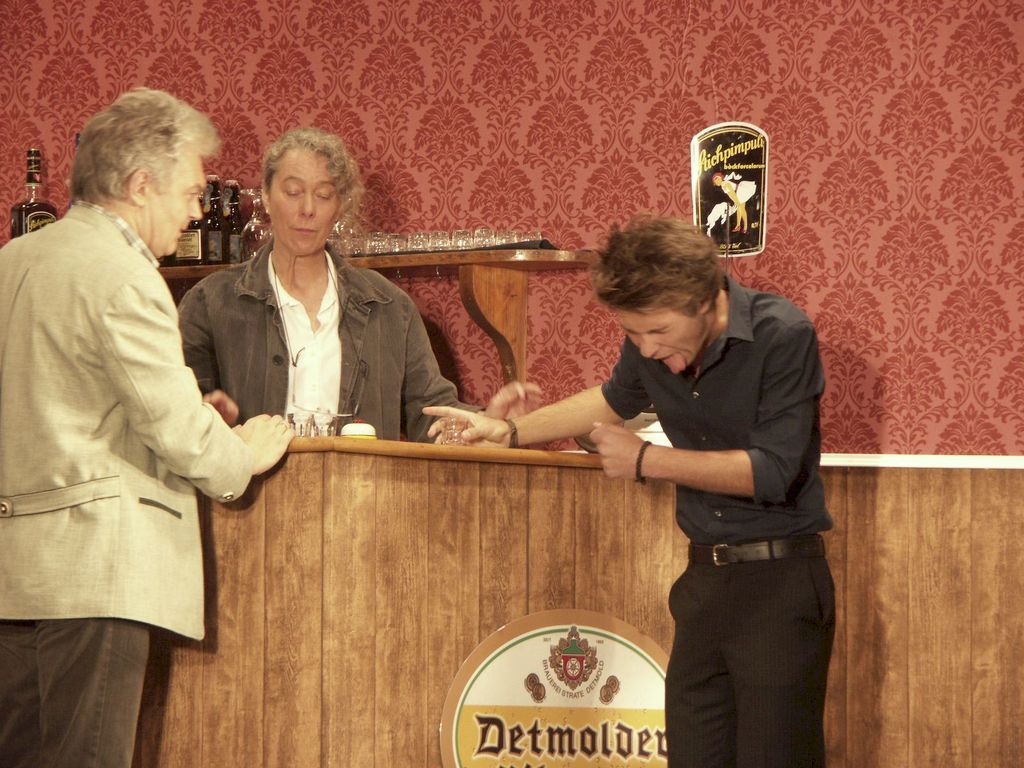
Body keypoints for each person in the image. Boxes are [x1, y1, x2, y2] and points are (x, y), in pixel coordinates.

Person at [425, 217, 835, 768]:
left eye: (658, 331)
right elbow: (612, 398)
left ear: (704, 301)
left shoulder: (782, 334)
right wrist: (509, 431)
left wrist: (646, 460)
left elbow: (774, 471)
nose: (646, 346)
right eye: (633, 333)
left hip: (779, 586)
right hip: (703, 584)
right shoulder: (648, 342)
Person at [0, 88, 293, 768]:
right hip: (92, 574)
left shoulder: (12, 261)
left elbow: (62, 398)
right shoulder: (123, 275)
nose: (196, 211)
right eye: (189, 192)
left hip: (14, 571)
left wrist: (190, 408)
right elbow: (183, 436)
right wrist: (241, 451)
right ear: (140, 186)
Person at [178, 127, 466, 441]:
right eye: (293, 192)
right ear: (266, 197)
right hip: (254, 474)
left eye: (324, 195)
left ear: (339, 206)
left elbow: (433, 412)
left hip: (361, 474)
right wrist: (207, 417)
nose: (308, 209)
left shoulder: (389, 306)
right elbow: (179, 415)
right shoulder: (210, 302)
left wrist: (484, 426)